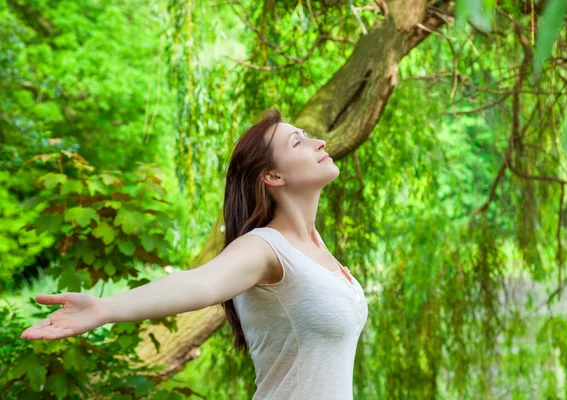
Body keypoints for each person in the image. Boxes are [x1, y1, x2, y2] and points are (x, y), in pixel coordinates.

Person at [20, 108, 369, 399]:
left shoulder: (315, 246)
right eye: (298, 141)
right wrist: (106, 308)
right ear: (273, 175)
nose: (318, 141)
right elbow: (199, 284)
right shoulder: (264, 247)